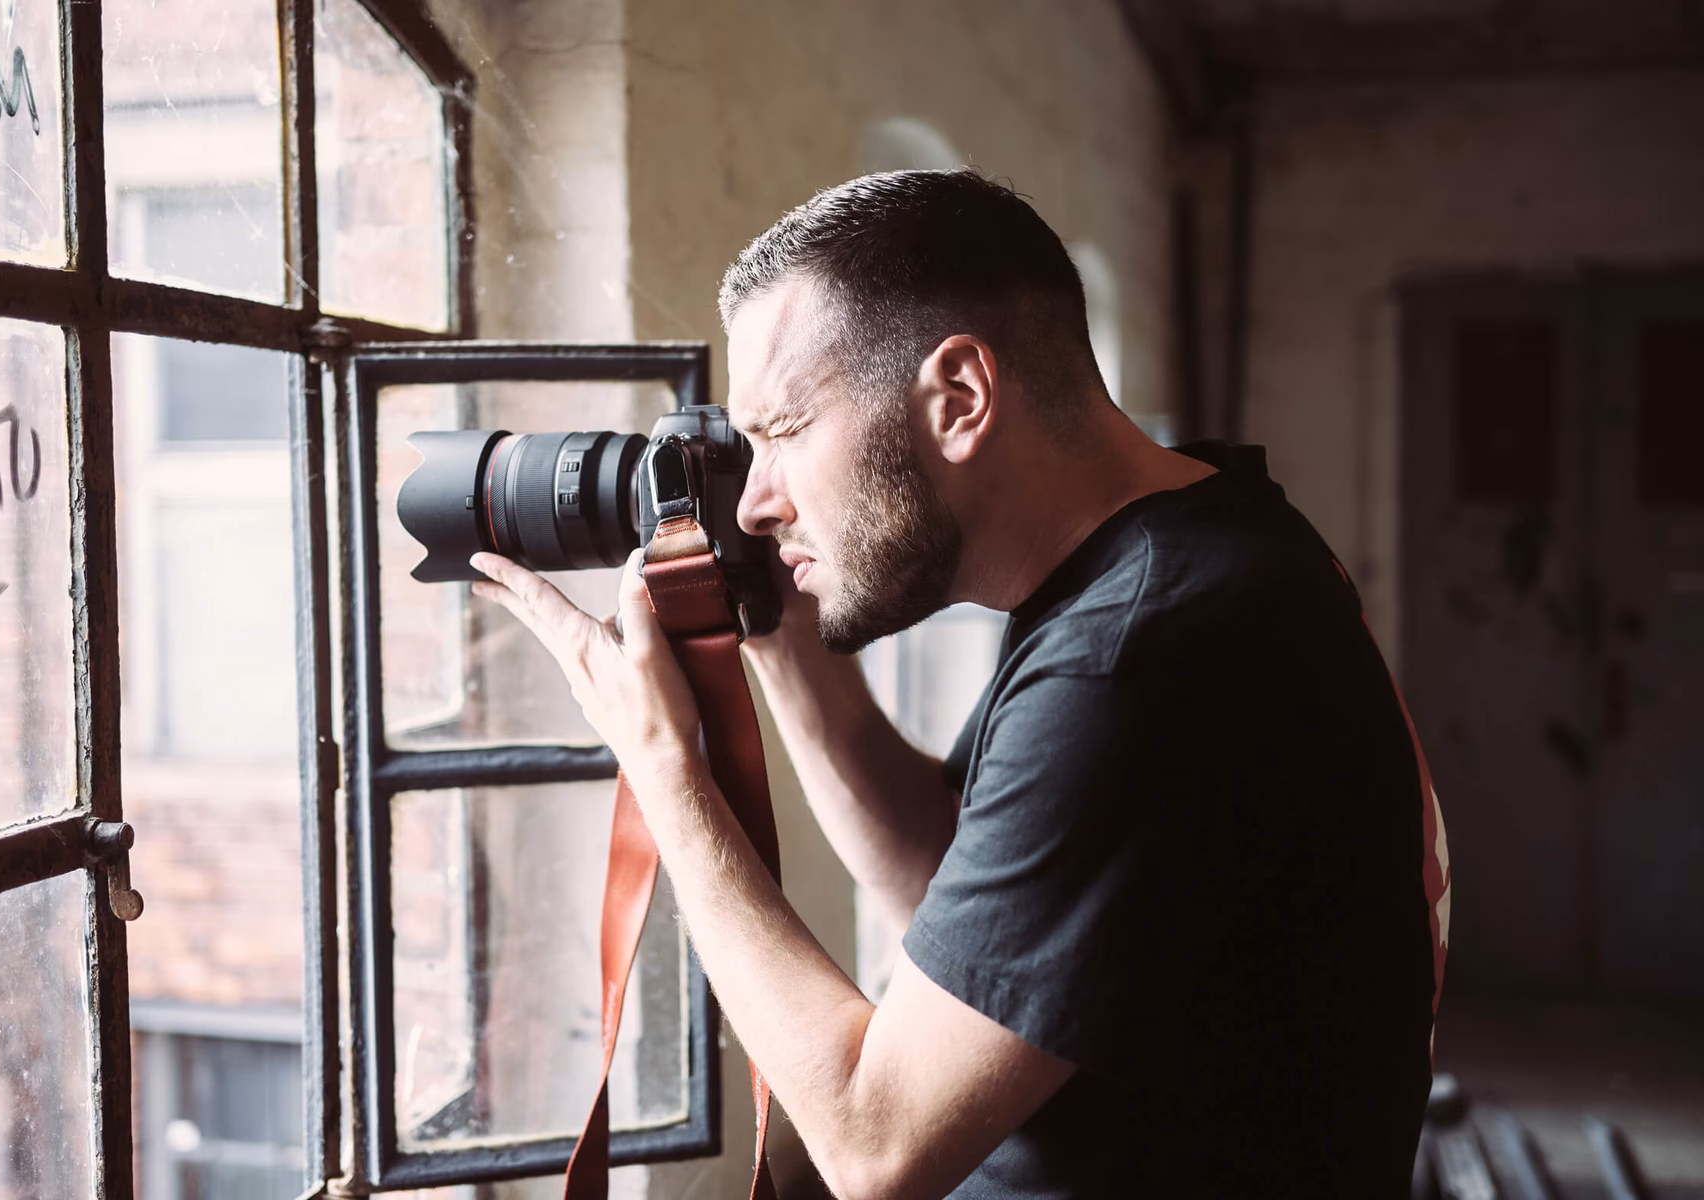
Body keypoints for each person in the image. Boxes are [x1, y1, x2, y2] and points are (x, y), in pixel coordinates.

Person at [470, 169, 1450, 1199]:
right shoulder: (1190, 545)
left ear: (961, 399)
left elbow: (873, 1145)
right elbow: (955, 885)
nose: (756, 503)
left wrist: (663, 765)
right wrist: (782, 644)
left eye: (783, 434)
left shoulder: (1139, 653)